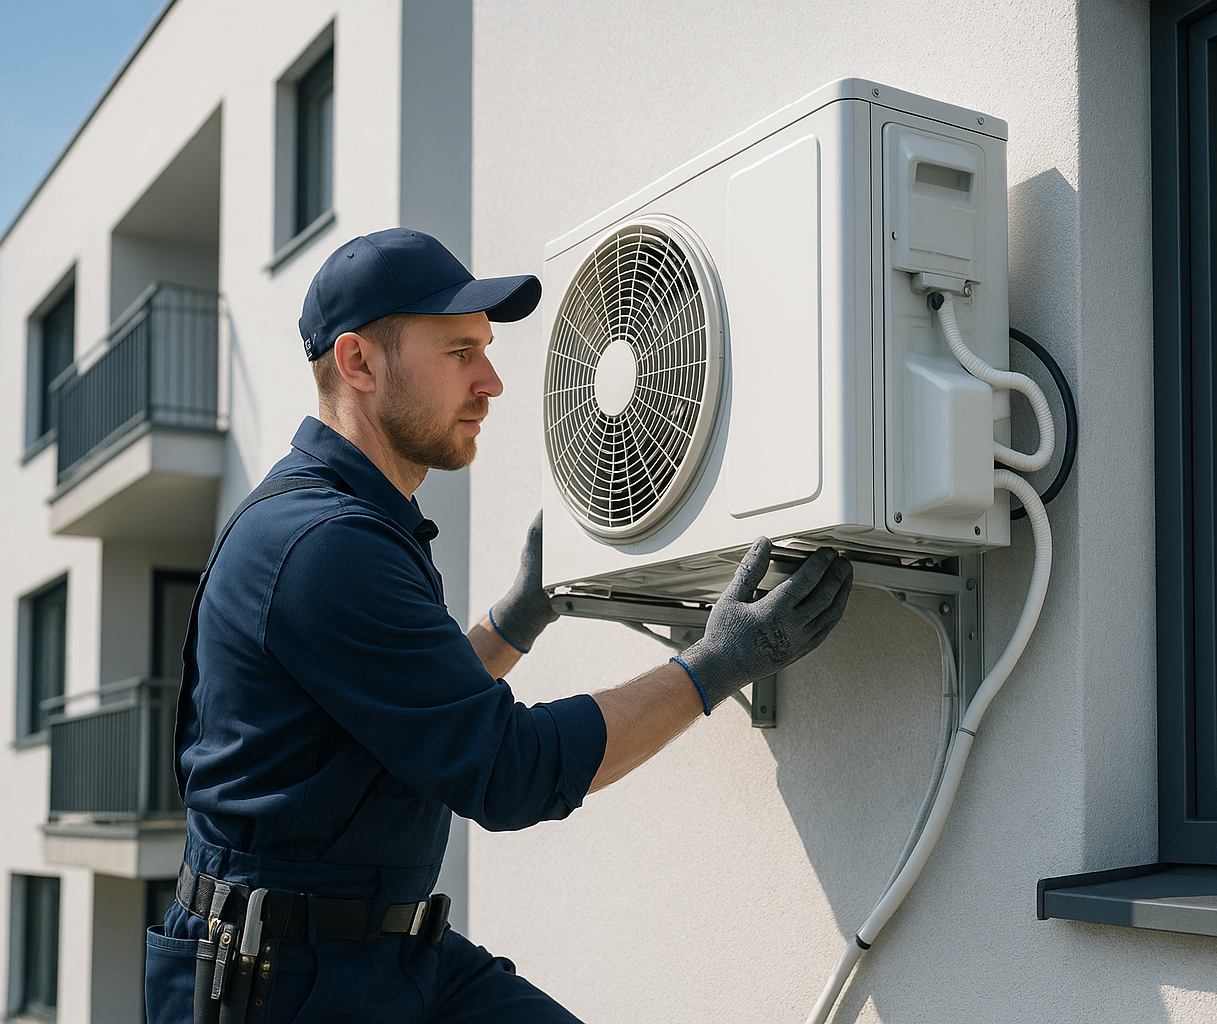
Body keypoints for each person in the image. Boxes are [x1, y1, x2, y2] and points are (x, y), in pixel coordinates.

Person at [143, 228, 853, 1024]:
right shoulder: (321, 547)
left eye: (484, 349)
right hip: (282, 984)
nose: (492, 382)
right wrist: (719, 663)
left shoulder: (358, 522)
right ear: (358, 364)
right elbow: (507, 769)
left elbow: (423, 715)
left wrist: (521, 614)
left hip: (385, 953)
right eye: (458, 352)